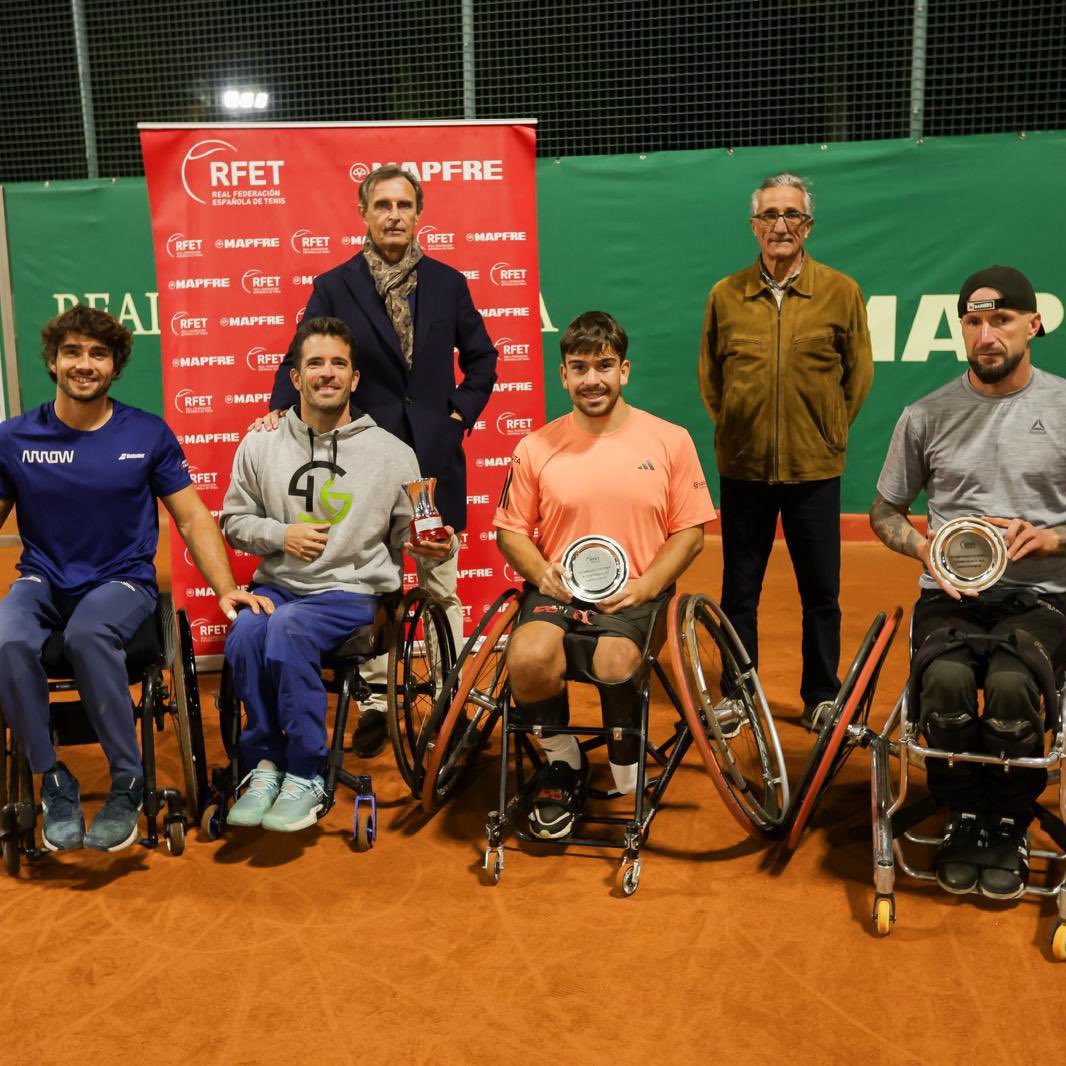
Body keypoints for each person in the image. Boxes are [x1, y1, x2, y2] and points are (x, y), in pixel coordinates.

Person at [0, 305, 270, 853]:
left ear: (115, 365)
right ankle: (54, 781)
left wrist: (224, 588)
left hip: (120, 582)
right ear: (53, 361)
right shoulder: (13, 438)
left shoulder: (146, 433)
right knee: (6, 636)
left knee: (87, 634)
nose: (84, 364)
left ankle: (128, 780)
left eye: (98, 353)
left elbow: (192, 517)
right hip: (44, 580)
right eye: (72, 352)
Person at [265, 164, 498, 756]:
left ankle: (447, 694)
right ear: (363, 215)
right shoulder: (335, 284)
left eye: (404, 205)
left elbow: (482, 359)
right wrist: (276, 409)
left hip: (431, 457)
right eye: (382, 205)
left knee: (440, 579)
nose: (394, 215)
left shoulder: (448, 281)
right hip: (366, 458)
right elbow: (305, 350)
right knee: (378, 580)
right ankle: (373, 696)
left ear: (418, 213)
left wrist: (457, 417)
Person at [870, 265, 1066, 900]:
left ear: (1033, 324)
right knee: (947, 680)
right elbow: (884, 512)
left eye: (1002, 319)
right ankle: (962, 814)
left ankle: (1007, 820)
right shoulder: (925, 414)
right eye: (975, 322)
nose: (987, 335)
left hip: (1044, 600)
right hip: (950, 598)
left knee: (1011, 686)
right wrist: (925, 547)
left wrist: (1055, 539)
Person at [222, 316, 455, 832]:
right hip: (279, 587)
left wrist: (437, 546)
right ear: (296, 377)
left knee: (284, 629)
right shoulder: (260, 444)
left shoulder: (394, 454)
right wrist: (280, 536)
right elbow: (233, 521)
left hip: (350, 594)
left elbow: (413, 533)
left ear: (353, 379)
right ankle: (265, 763)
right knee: (244, 633)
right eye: (315, 364)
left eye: (338, 364)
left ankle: (305, 772)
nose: (327, 374)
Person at [494, 311, 716, 838]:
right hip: (562, 592)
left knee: (615, 658)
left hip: (637, 592)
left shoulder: (670, 440)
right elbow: (511, 532)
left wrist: (647, 585)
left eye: (604, 365)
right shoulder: (536, 447)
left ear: (625, 371)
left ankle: (625, 754)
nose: (592, 379)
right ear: (564, 376)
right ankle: (563, 761)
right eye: (579, 367)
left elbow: (691, 533)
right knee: (525, 657)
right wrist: (541, 574)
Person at [698, 171, 873, 731]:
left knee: (821, 591)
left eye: (790, 215)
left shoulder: (841, 292)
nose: (780, 225)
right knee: (738, 593)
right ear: (753, 226)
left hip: (815, 471)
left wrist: (825, 434)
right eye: (769, 215)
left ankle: (822, 694)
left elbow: (858, 376)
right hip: (744, 471)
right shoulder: (725, 295)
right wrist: (738, 432)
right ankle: (738, 695)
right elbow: (711, 380)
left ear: (808, 224)